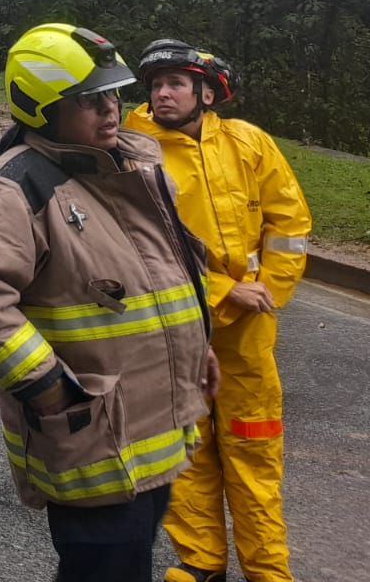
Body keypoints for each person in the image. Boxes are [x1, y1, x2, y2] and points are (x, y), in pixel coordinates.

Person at [0, 23, 219, 582]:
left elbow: (172, 272)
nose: (111, 110)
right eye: (89, 100)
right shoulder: (20, 188)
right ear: (42, 111)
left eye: (112, 93)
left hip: (150, 434)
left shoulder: (127, 167)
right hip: (96, 440)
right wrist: (50, 390)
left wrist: (198, 347)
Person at [124, 41, 311, 582]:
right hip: (175, 325)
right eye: (156, 83)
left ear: (206, 93)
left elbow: (290, 226)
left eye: (175, 83)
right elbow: (139, 244)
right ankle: (201, 563)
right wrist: (224, 290)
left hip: (247, 337)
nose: (162, 92)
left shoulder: (248, 142)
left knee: (254, 456)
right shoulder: (133, 150)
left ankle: (268, 572)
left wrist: (267, 293)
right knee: (185, 450)